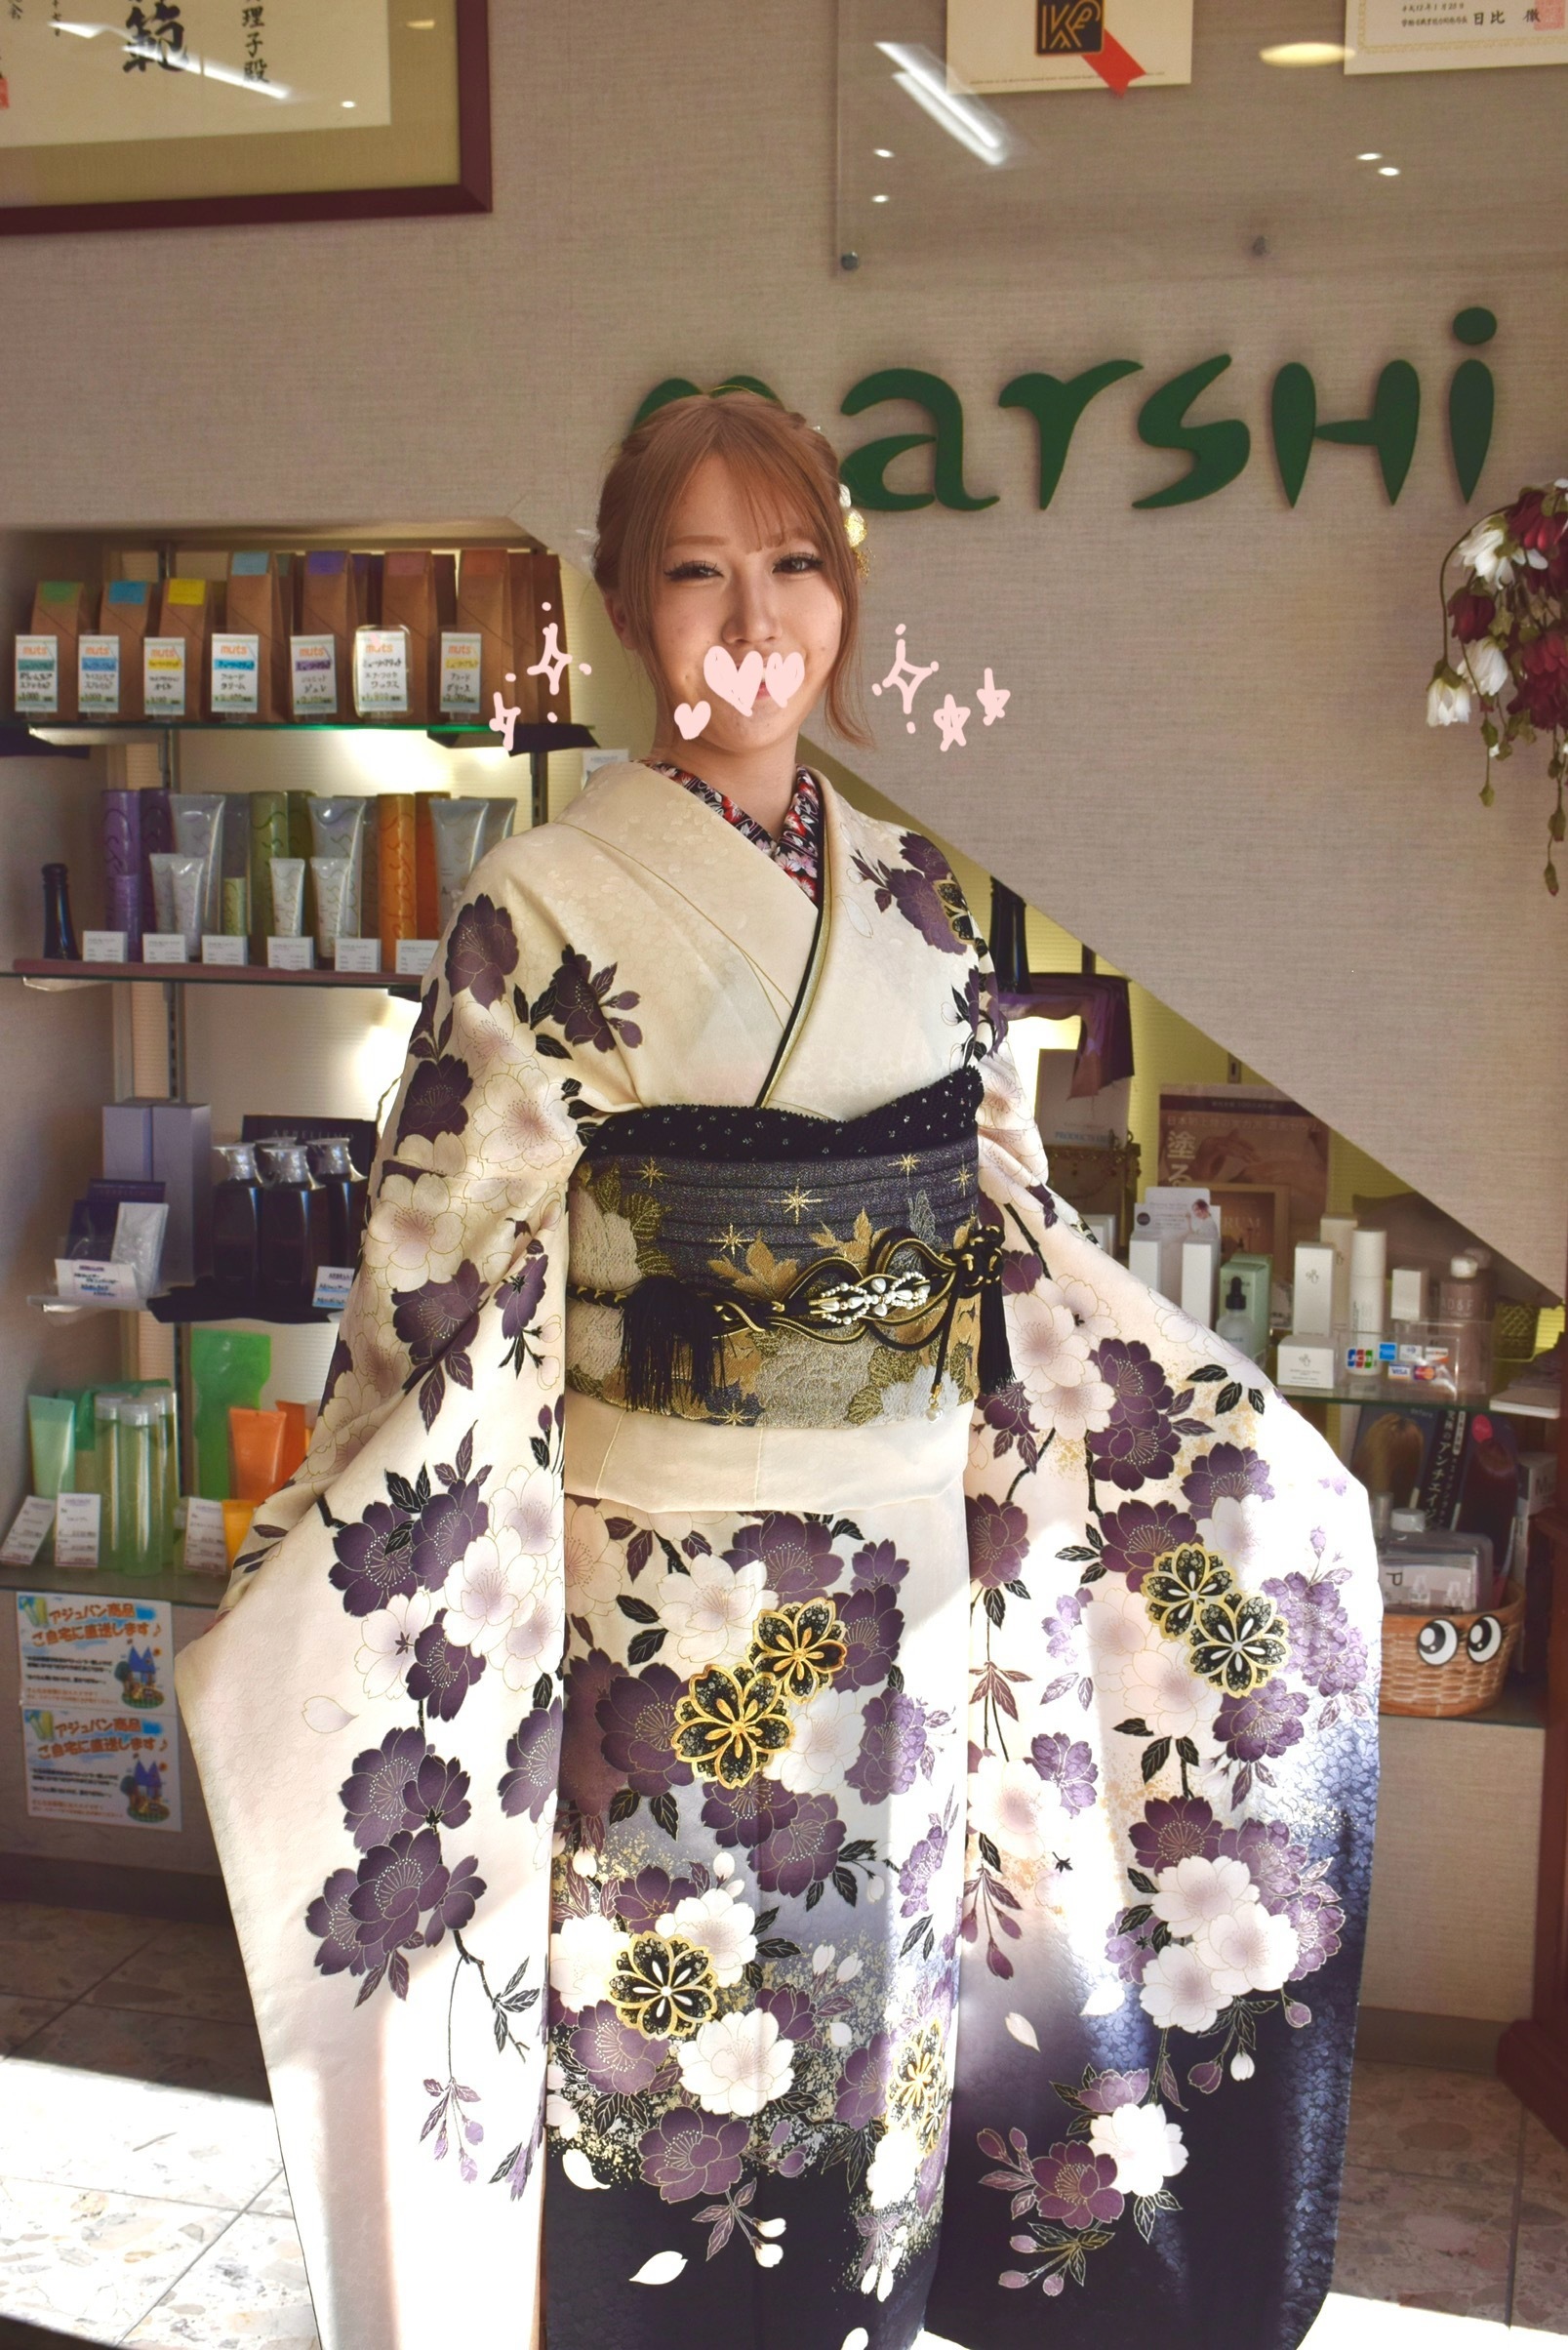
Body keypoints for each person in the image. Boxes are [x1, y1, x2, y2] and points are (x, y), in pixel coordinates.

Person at [177, 390, 1380, 2350]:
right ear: (631, 606)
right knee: (674, 2047)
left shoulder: (918, 896)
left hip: (902, 1593)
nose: (756, 618)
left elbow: (1015, 1241)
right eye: (700, 571)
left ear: (846, 593)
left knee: (878, 2055)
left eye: (795, 563)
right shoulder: (542, 906)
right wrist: (338, 1529)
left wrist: (1243, 1461)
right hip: (662, 1614)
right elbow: (438, 1269)